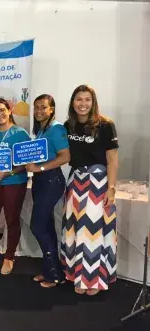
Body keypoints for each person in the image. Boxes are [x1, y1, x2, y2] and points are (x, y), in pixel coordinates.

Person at [62, 85, 118, 296]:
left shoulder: (105, 125)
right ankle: (78, 275)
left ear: (93, 102)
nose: (83, 104)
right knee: (75, 229)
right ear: (73, 102)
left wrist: (111, 189)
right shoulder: (69, 125)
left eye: (87, 100)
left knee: (92, 232)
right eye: (79, 99)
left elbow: (112, 159)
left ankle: (93, 279)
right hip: (75, 180)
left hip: (98, 181)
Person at [25, 94, 70, 288]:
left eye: (43, 107)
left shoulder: (56, 128)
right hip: (40, 181)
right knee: (47, 226)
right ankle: (51, 270)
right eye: (36, 107)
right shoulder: (42, 130)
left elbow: (65, 156)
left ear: (52, 109)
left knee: (37, 226)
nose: (39, 111)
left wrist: (40, 168)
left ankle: (54, 273)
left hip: (51, 181)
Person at [0, 98, 30, 275]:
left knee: (11, 220)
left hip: (14, 182)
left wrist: (8, 173)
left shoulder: (20, 133)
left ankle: (9, 258)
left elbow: (26, 162)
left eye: (2, 110)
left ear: (9, 110)